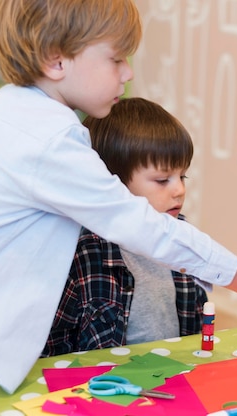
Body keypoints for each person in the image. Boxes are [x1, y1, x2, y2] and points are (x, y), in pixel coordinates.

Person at [0, 0, 237, 393]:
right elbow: (142, 226)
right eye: (116, 59)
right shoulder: (47, 141)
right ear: (57, 61)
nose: (129, 72)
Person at [42, 97, 210, 356]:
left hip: (173, 375)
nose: (179, 190)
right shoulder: (84, 251)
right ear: (112, 185)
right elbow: (54, 346)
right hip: (101, 385)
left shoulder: (179, 235)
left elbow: (195, 323)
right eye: (163, 179)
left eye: (182, 176)